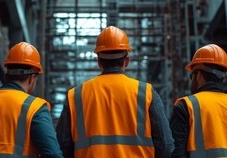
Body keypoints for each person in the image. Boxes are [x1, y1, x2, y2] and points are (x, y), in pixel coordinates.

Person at [56, 26, 174, 158]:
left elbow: (62, 146)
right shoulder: (146, 93)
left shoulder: (75, 96)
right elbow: (166, 145)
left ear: (99, 62)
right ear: (127, 61)